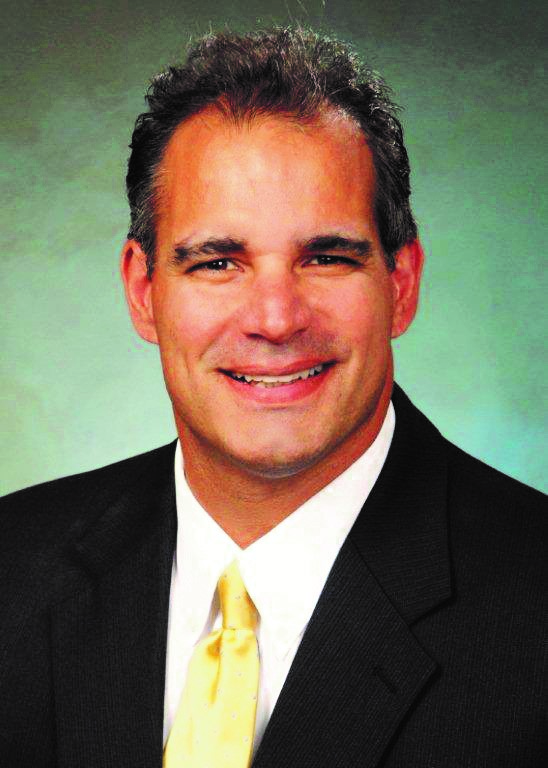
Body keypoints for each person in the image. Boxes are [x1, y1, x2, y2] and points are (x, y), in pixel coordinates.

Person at [0, 27, 546, 768]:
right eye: (217, 263)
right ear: (143, 292)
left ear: (401, 283)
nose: (276, 319)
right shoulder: (13, 565)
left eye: (326, 257)